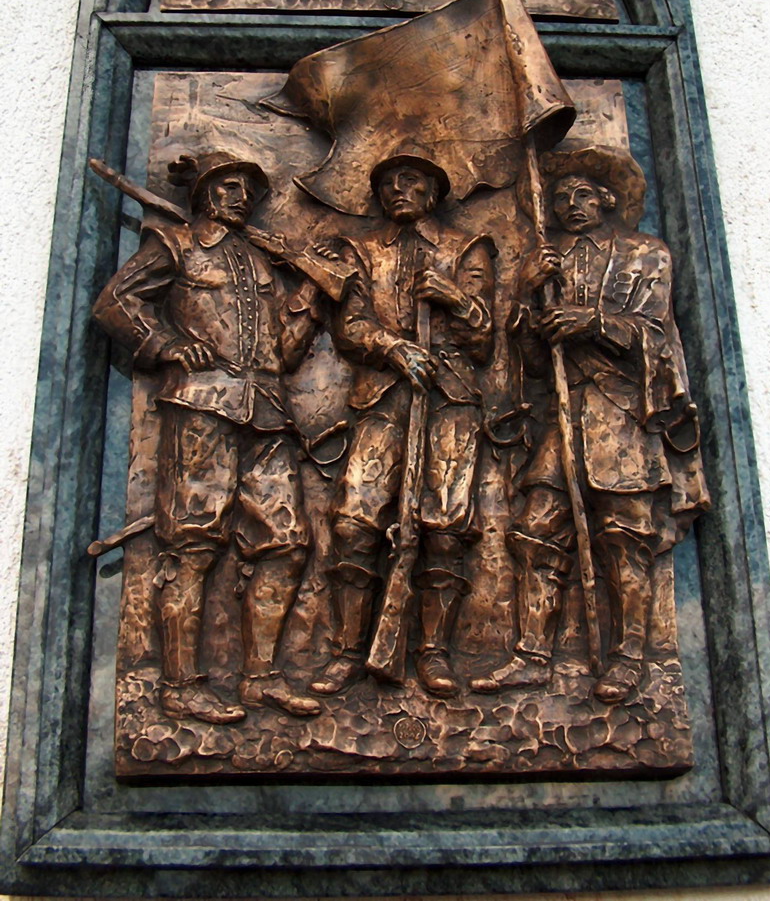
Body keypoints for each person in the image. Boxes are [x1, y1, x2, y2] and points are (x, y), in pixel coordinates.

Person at [472, 145, 709, 703]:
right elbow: (533, 362)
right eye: (559, 199)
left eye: (580, 194)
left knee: (626, 536)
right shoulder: (550, 262)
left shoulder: (646, 254)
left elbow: (656, 335)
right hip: (565, 412)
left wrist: (594, 323)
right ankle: (532, 656)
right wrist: (527, 294)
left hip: (623, 413)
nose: (569, 206)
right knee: (536, 529)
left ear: (606, 199)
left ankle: (629, 657)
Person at [93, 151, 324, 722]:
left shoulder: (262, 262)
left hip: (268, 413)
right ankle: (179, 686)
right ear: (203, 194)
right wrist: (165, 344)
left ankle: (260, 678)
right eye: (227, 187)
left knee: (287, 544)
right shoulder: (175, 245)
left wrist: (309, 301)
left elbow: (285, 355)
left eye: (247, 189)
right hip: (202, 409)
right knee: (193, 546)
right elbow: (114, 303)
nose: (241, 197)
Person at [310, 146, 495, 697]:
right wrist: (393, 347)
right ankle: (348, 650)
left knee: (446, 528)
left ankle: (433, 652)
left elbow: (484, 341)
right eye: (389, 183)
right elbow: (350, 326)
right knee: (354, 521)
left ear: (434, 192)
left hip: (451, 399)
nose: (400, 191)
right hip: (382, 397)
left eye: (412, 181)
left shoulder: (467, 249)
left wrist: (457, 299)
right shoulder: (361, 251)